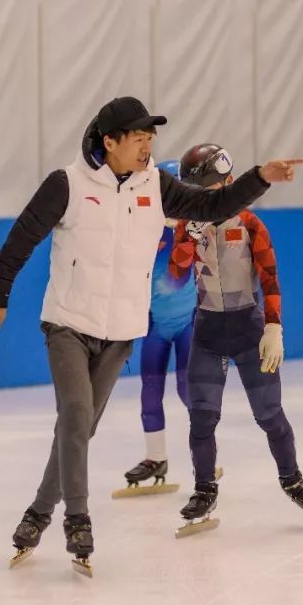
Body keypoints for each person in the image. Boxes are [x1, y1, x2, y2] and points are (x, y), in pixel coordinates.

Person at [0, 97, 302, 572]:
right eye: (138, 139)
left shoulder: (156, 185)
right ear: (109, 142)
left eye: (151, 139)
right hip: (68, 321)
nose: (147, 147)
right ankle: (78, 519)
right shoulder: (66, 184)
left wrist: (260, 178)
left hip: (120, 331)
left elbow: (212, 206)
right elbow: (22, 237)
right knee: (75, 411)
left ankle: (36, 514)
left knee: (80, 428)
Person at [168, 143, 303, 534]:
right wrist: (188, 237)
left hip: (248, 331)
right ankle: (204, 487)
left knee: (270, 415)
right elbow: (177, 272)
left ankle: (292, 479)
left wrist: (274, 326)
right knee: (202, 417)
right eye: (192, 193)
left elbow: (271, 278)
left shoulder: (251, 224)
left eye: (205, 191)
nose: (198, 200)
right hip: (207, 331)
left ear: (227, 183)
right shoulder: (187, 224)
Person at [115, 159, 197, 497]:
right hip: (155, 324)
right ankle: (155, 458)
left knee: (188, 389)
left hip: (190, 321)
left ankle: (204, 451)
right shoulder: (141, 226)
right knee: (150, 391)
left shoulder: (198, 226)